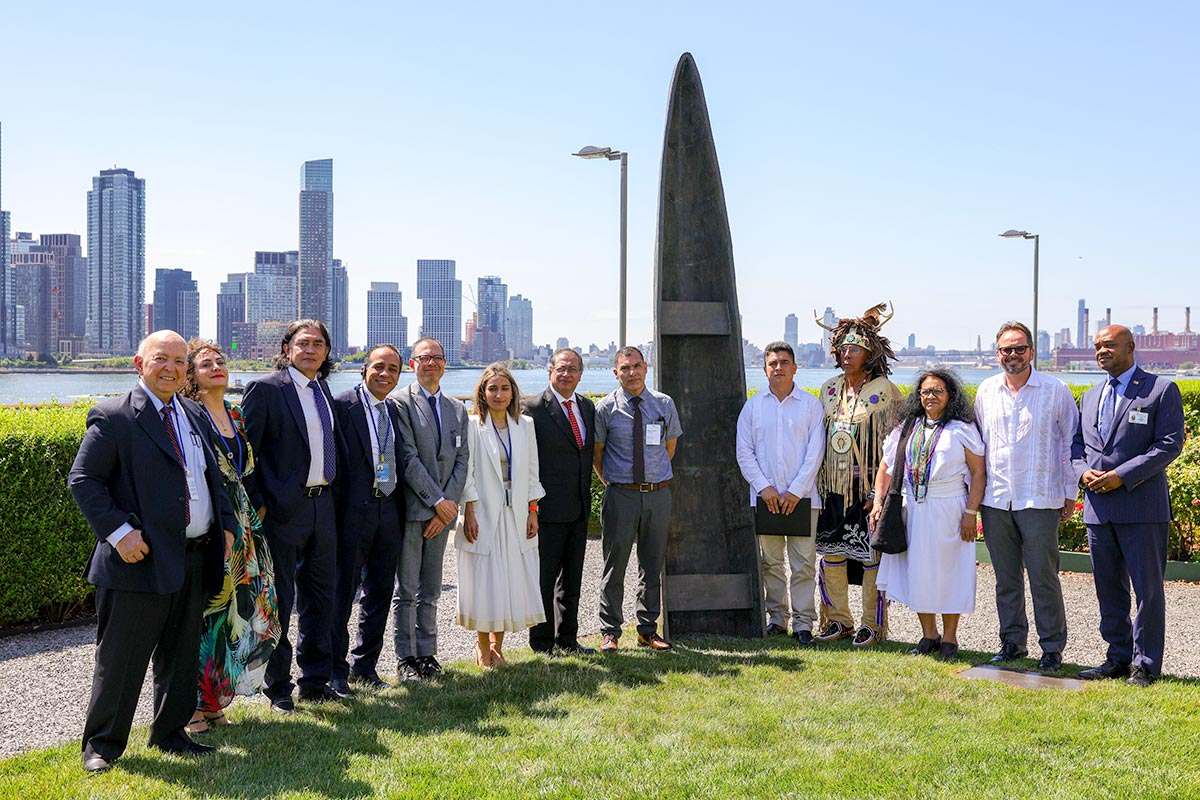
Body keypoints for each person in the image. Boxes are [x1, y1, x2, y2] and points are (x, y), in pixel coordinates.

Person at [68, 330, 235, 773]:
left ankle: (170, 733)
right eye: (161, 359)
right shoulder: (114, 416)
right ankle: (102, 746)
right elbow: (84, 481)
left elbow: (212, 479)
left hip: (196, 556)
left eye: (181, 362)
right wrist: (120, 533)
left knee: (180, 656)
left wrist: (228, 528)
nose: (172, 369)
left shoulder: (194, 413)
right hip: (136, 561)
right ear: (139, 363)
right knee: (121, 659)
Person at [1072, 325, 1184, 687]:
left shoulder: (1160, 389)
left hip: (1142, 509)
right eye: (1097, 346)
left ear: (1131, 347)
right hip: (1098, 510)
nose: (1101, 351)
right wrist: (1082, 473)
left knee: (1147, 591)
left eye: (1108, 345)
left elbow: (1169, 444)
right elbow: (1077, 447)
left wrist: (1121, 475)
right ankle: (1117, 659)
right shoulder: (1089, 397)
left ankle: (1146, 666)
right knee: (1109, 590)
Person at [242, 319, 345, 712]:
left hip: (323, 506)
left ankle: (315, 680)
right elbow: (246, 452)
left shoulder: (323, 390)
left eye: (319, 343)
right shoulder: (266, 389)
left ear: (326, 352)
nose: (311, 350)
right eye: (303, 343)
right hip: (282, 511)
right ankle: (278, 685)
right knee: (281, 600)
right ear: (287, 349)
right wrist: (261, 504)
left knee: (322, 597)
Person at [180, 340, 281, 734]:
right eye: (207, 364)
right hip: (212, 526)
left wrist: (257, 513)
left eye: (221, 362)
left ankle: (215, 702)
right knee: (205, 617)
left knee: (236, 617)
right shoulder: (189, 415)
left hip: (246, 530)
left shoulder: (237, 416)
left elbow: (249, 472)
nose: (217, 367)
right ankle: (189, 708)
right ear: (192, 375)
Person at [974, 321, 1077, 672]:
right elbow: (978, 447)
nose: (1013, 355)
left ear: (1032, 352)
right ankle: (1012, 642)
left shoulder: (1055, 389)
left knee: (1043, 577)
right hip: (996, 499)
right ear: (997, 353)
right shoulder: (986, 391)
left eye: (1019, 348)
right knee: (1006, 578)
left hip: (1040, 498)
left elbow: (1070, 443)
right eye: (1006, 349)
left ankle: (1051, 648)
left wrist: (1069, 491)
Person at [870, 369, 986, 660]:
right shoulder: (906, 428)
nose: (930, 396)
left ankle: (950, 639)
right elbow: (885, 468)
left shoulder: (962, 428)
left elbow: (978, 472)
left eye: (937, 391)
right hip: (913, 509)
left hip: (950, 508)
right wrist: (877, 502)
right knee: (918, 572)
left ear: (950, 395)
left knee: (950, 573)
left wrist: (971, 512)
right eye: (925, 391)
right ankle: (928, 635)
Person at [813, 303, 901, 646]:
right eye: (843, 349)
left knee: (869, 558)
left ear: (870, 353)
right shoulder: (828, 388)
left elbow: (894, 447)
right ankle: (838, 620)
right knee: (832, 553)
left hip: (866, 490)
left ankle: (871, 624)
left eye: (855, 349)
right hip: (832, 487)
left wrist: (879, 494)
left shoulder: (886, 391)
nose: (847, 354)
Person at [736, 341, 825, 644]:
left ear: (794, 367)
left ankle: (803, 624)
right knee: (771, 564)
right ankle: (777, 619)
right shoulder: (753, 406)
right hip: (766, 499)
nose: (778, 368)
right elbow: (744, 452)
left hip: (803, 499)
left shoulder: (810, 405)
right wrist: (765, 488)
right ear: (764, 368)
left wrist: (796, 491)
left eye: (784, 362)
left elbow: (816, 453)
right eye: (773, 363)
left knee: (803, 565)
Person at [594, 346, 682, 652]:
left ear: (646, 367)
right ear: (615, 373)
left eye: (636, 366)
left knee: (651, 564)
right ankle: (610, 632)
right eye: (625, 368)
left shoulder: (663, 404)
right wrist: (616, 483)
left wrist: (651, 479)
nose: (631, 373)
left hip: (657, 496)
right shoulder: (605, 409)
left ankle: (647, 630)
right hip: (621, 496)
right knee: (614, 565)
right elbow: (598, 455)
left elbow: (669, 448)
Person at [458, 364, 547, 666]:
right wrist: (469, 511)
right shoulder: (471, 426)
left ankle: (498, 646)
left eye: (504, 388)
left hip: (516, 514)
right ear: (482, 393)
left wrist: (532, 510)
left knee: (508, 579)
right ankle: (483, 647)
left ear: (513, 393)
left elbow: (533, 471)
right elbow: (466, 474)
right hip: (483, 513)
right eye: (492, 388)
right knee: (484, 580)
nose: (499, 394)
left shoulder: (526, 425)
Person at [392, 336, 471, 680]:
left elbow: (461, 459)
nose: (431, 363)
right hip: (414, 511)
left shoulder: (456, 408)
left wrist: (449, 507)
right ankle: (405, 659)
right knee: (406, 590)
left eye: (437, 358)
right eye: (423, 358)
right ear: (412, 364)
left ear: (444, 363)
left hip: (444, 514)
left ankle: (427, 654)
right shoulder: (400, 403)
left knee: (432, 589)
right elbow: (407, 458)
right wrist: (437, 503)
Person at [330, 344, 407, 693]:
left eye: (392, 369)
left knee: (379, 593)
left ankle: (366, 667)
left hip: (388, 509)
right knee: (342, 593)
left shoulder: (394, 410)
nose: (385, 374)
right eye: (378, 367)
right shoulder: (342, 407)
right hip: (351, 513)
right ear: (364, 370)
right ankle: (334, 669)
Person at [522, 348, 598, 655]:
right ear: (550, 371)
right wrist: (531, 507)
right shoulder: (533, 407)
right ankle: (542, 643)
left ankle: (568, 639)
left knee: (572, 581)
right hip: (546, 510)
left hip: (579, 508)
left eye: (573, 369)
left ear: (581, 374)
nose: (566, 374)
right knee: (544, 580)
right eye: (561, 369)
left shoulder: (587, 407)